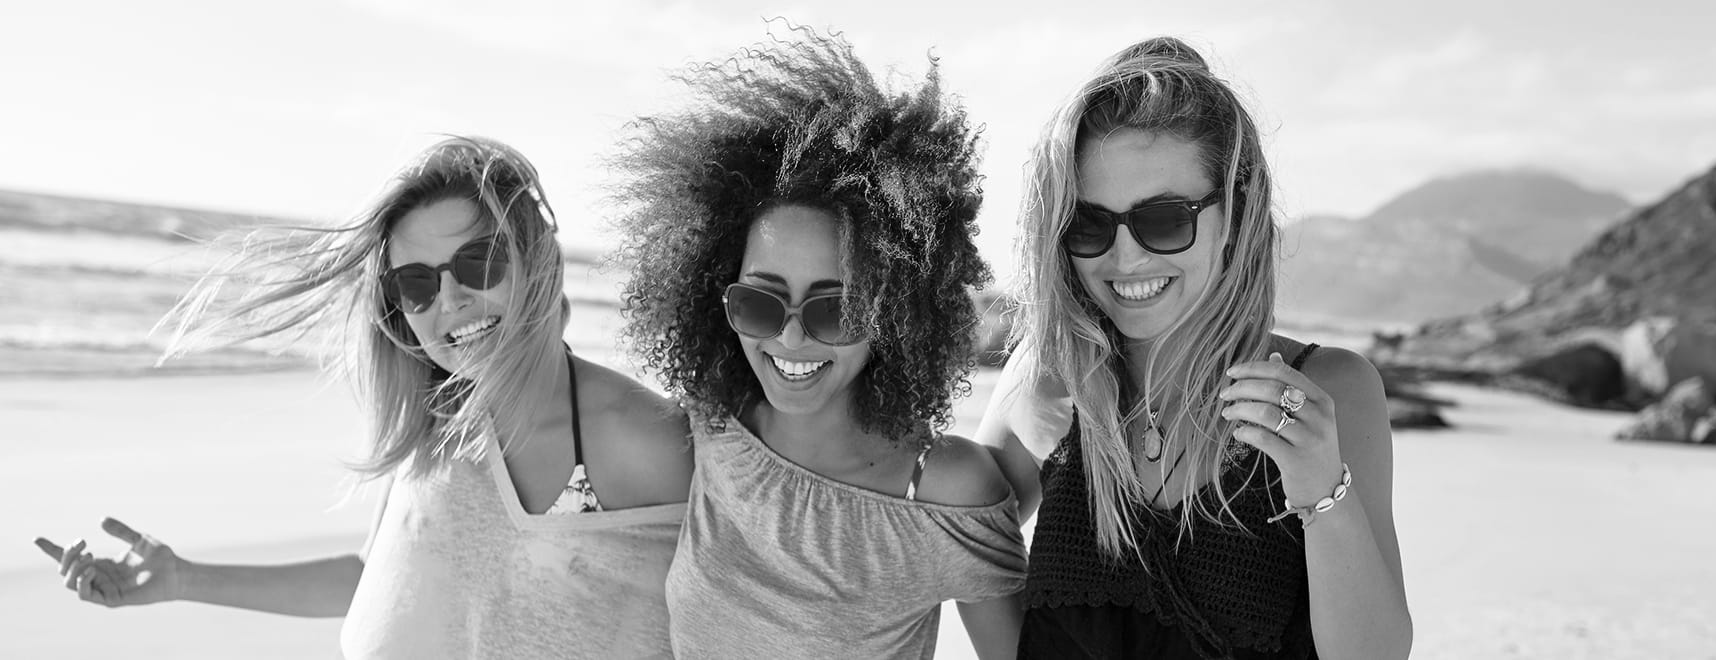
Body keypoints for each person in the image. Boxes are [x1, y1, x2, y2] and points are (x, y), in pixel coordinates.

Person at [32, 137, 693, 659]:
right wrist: (185, 580)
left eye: (478, 263)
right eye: (417, 283)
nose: (452, 300)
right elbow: (374, 578)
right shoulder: (433, 429)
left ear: (535, 258)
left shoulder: (643, 438)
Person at [976, 38, 1414, 659]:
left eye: (1164, 220)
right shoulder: (1049, 381)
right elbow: (944, 536)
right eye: (1090, 224)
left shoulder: (1332, 389)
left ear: (1233, 212)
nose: (1125, 259)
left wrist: (1320, 491)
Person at [609, 28, 1026, 660]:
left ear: (893, 310)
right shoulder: (713, 429)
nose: (791, 335)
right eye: (760, 302)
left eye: (837, 308)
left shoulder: (947, 490)